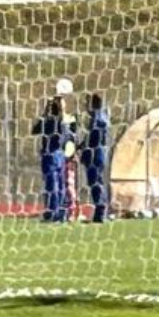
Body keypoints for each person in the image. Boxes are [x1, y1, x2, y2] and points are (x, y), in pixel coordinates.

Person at [31, 93, 76, 223]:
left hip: (50, 154)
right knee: (61, 184)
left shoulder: (49, 122)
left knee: (52, 185)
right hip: (60, 155)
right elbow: (69, 137)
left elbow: (35, 130)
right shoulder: (64, 123)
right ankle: (61, 213)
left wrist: (45, 112)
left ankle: (53, 212)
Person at [80, 93, 112, 223]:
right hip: (99, 154)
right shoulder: (103, 116)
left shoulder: (97, 119)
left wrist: (82, 147)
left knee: (95, 183)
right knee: (97, 182)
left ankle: (100, 213)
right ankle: (101, 212)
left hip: (94, 155)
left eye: (88, 104)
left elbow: (93, 138)